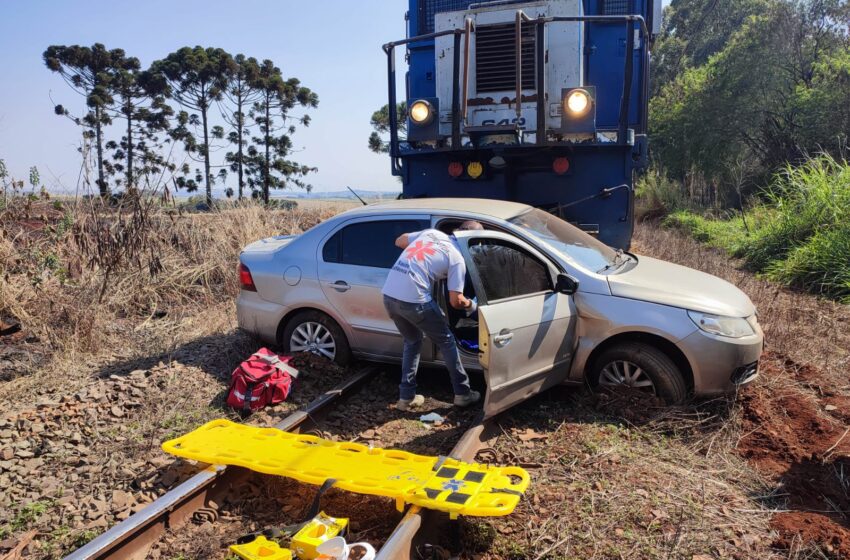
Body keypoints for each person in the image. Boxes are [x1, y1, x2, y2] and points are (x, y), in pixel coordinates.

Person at [382, 221, 484, 411]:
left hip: (389, 296)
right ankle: (463, 393)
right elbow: (456, 301)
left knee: (412, 341)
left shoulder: (431, 233)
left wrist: (426, 261)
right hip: (415, 301)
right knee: (446, 341)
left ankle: (406, 398)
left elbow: (400, 241)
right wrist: (473, 306)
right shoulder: (457, 259)